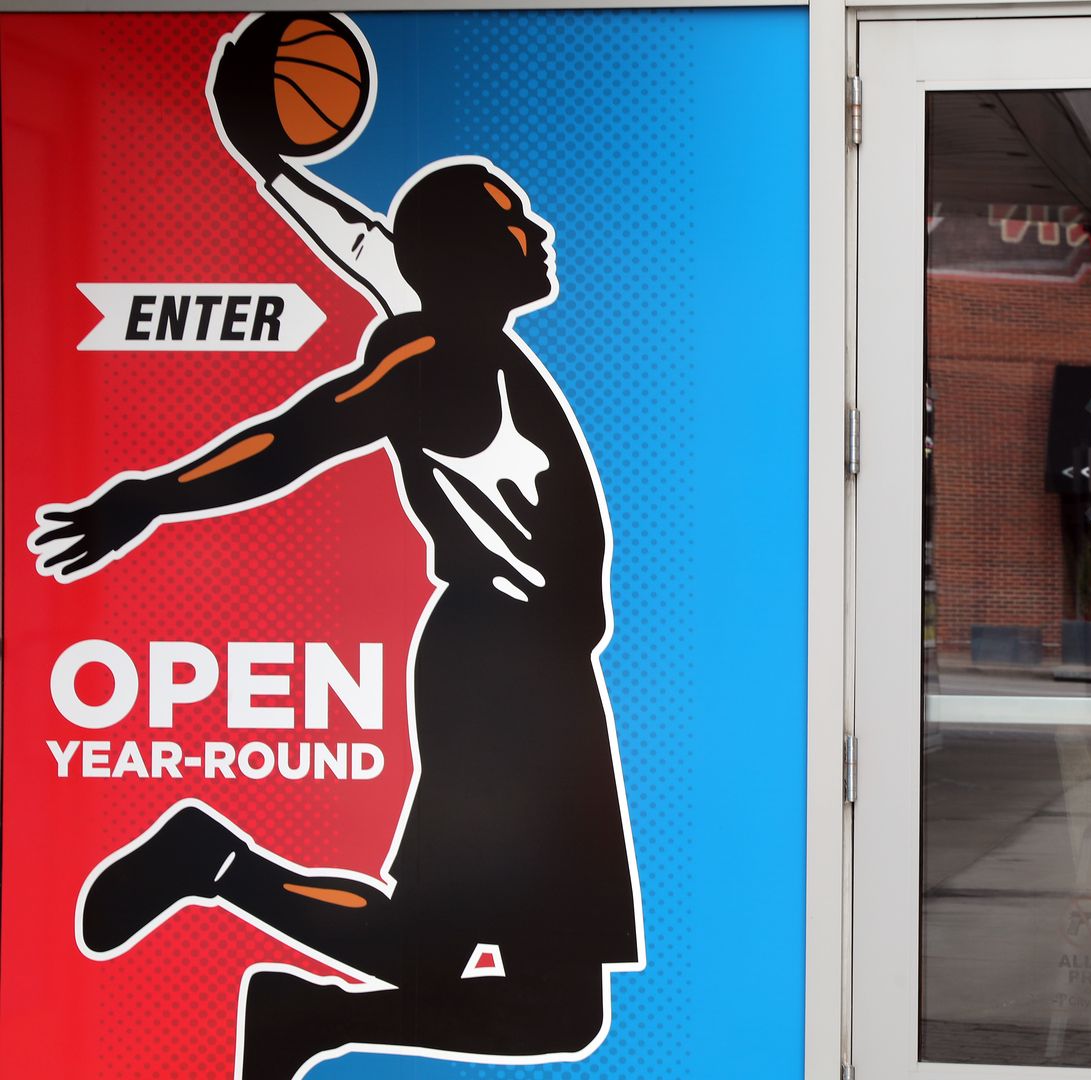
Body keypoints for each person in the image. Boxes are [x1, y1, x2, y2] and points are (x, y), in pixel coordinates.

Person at [28, 16, 641, 1079]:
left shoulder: (462, 326)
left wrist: (272, 168)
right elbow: (298, 436)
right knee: (431, 948)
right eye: (512, 217)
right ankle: (213, 863)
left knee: (559, 1012)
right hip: (500, 674)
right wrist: (154, 496)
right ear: (468, 257)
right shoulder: (439, 364)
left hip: (542, 676)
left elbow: (372, 244)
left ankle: (304, 1015)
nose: (537, 226)